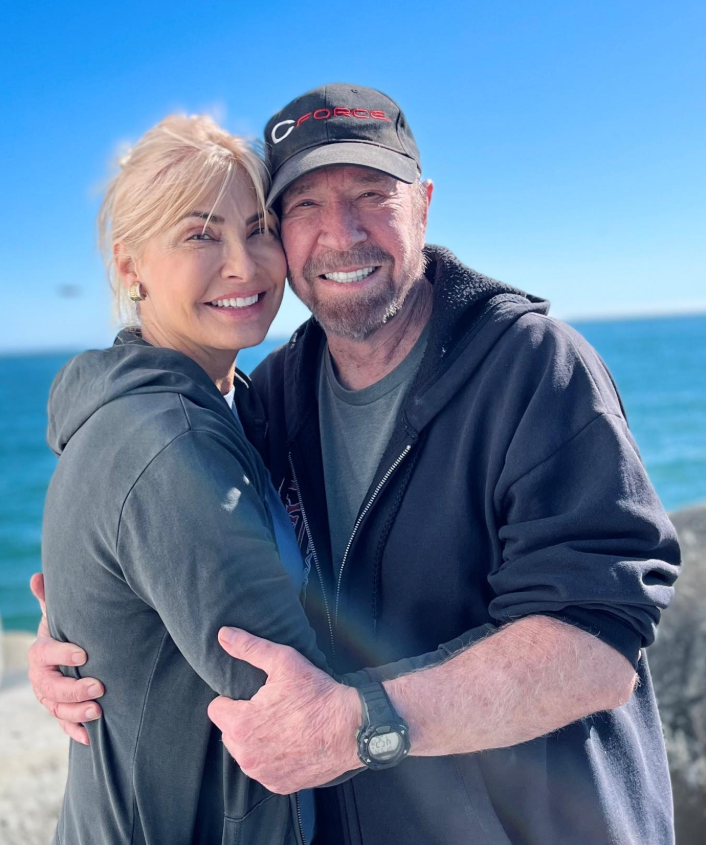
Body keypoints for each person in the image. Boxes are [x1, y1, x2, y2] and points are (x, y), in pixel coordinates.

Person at [31, 85, 681, 845]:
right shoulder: (272, 398)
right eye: (302, 207)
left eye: (373, 193)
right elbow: (184, 535)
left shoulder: (534, 370)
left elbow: (597, 648)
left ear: (424, 204)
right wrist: (90, 635)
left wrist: (361, 723)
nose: (341, 234)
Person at [37, 113, 348, 845]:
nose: (244, 265)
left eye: (259, 227)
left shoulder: (227, 405)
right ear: (129, 265)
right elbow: (298, 712)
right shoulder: (166, 443)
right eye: (201, 234)